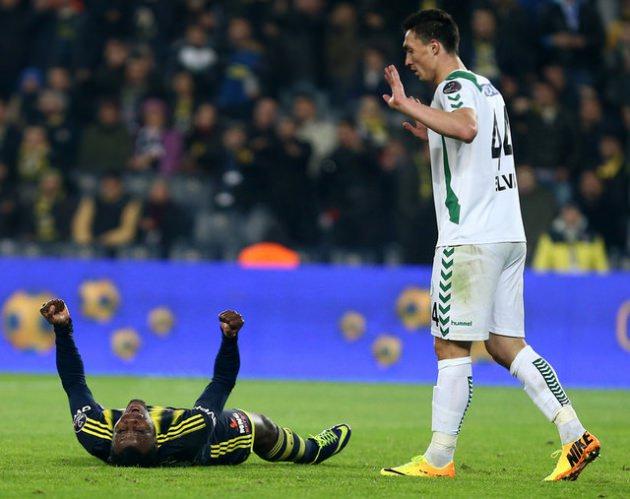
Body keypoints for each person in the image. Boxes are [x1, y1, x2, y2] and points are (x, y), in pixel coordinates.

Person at [380, 9, 599, 481]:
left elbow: (465, 128)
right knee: (504, 344)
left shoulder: (452, 87)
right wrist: (430, 132)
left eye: (411, 49)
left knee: (449, 344)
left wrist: (407, 106)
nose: (408, 59)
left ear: (434, 46)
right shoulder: (488, 87)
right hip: (507, 232)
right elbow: (471, 141)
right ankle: (575, 435)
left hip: (470, 237)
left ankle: (438, 458)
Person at [40, 298, 351, 467]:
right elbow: (222, 382)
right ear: (157, 438)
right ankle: (312, 450)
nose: (131, 421)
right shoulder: (190, 433)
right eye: (141, 429)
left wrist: (63, 329)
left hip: (158, 433)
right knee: (259, 426)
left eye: (123, 429)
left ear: (111, 439)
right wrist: (230, 339)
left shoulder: (93, 432)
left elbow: (73, 382)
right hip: (214, 444)